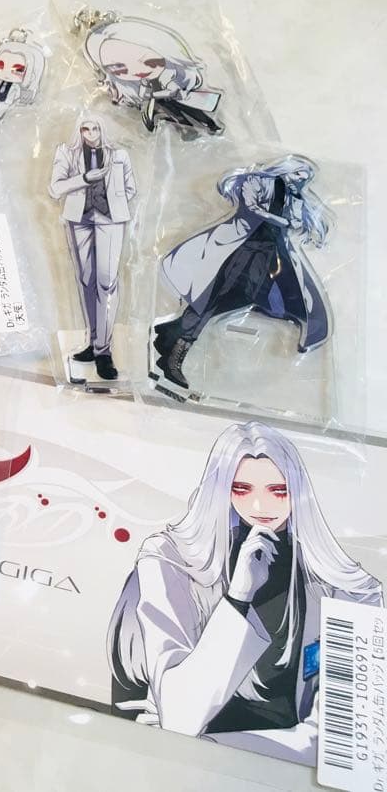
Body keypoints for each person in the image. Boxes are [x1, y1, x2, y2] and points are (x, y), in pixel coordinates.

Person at [107, 421, 382, 764]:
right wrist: (238, 597)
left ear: (298, 492)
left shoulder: (343, 587)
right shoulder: (171, 560)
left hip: (275, 766)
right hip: (176, 763)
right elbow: (180, 715)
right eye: (241, 488)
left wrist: (212, 748)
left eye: (278, 491)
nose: (259, 505)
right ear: (221, 488)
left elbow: (339, 737)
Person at [152, 155, 332, 390]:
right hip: (242, 248)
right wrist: (281, 221)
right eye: (299, 173)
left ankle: (172, 331)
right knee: (215, 298)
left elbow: (296, 223)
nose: (301, 180)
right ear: (288, 168)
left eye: (305, 177)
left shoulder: (293, 197)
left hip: (271, 257)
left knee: (239, 299)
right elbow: (252, 208)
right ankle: (176, 352)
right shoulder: (257, 181)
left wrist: (296, 218)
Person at [49, 116, 137, 381]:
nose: (90, 133)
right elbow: (55, 188)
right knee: (87, 281)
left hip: (111, 220)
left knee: (107, 281)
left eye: (95, 128)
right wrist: (84, 179)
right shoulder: (67, 153)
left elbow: (131, 188)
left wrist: (114, 203)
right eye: (85, 129)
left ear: (103, 129)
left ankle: (103, 351)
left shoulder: (119, 154)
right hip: (80, 219)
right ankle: (95, 342)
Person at [83, 16, 223, 137]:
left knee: (195, 113)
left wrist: (155, 95)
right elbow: (144, 95)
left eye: (144, 59)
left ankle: (211, 125)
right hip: (165, 106)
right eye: (119, 69)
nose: (136, 70)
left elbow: (173, 90)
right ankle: (187, 131)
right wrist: (148, 93)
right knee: (175, 118)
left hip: (182, 99)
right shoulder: (142, 83)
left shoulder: (168, 74)